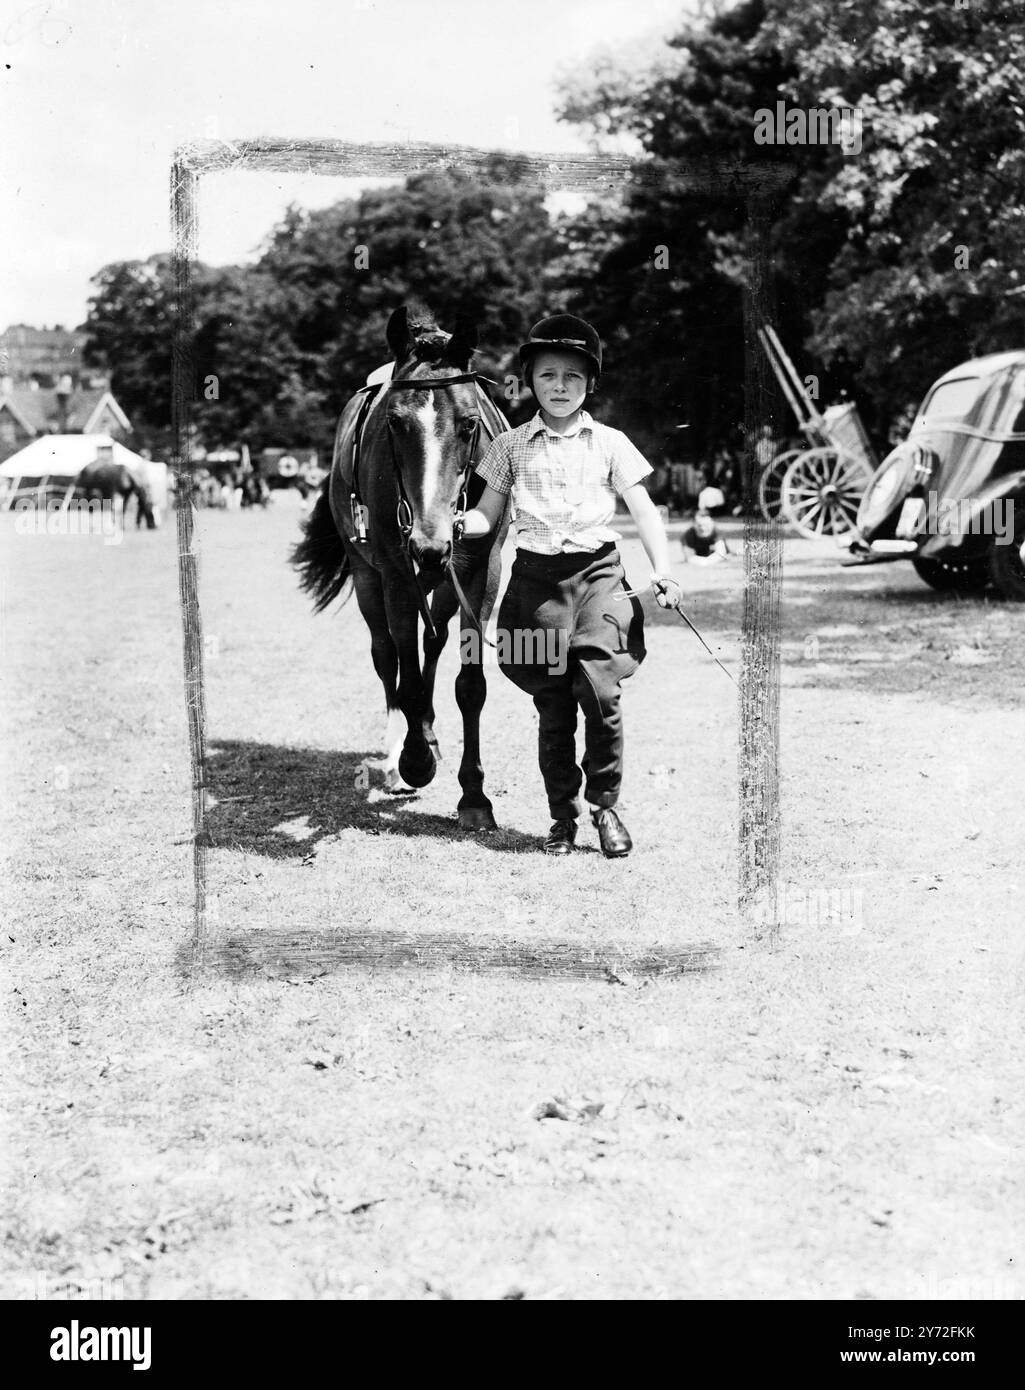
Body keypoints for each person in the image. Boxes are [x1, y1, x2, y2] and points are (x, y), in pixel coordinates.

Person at [456, 314, 682, 859]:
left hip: (599, 578)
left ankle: (606, 806)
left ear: (590, 383)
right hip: (534, 587)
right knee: (552, 704)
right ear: (530, 381)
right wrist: (463, 524)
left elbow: (645, 512)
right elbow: (489, 515)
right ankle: (564, 817)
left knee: (601, 692)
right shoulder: (508, 447)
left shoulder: (610, 443)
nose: (560, 387)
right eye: (549, 375)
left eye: (573, 377)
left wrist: (664, 569)